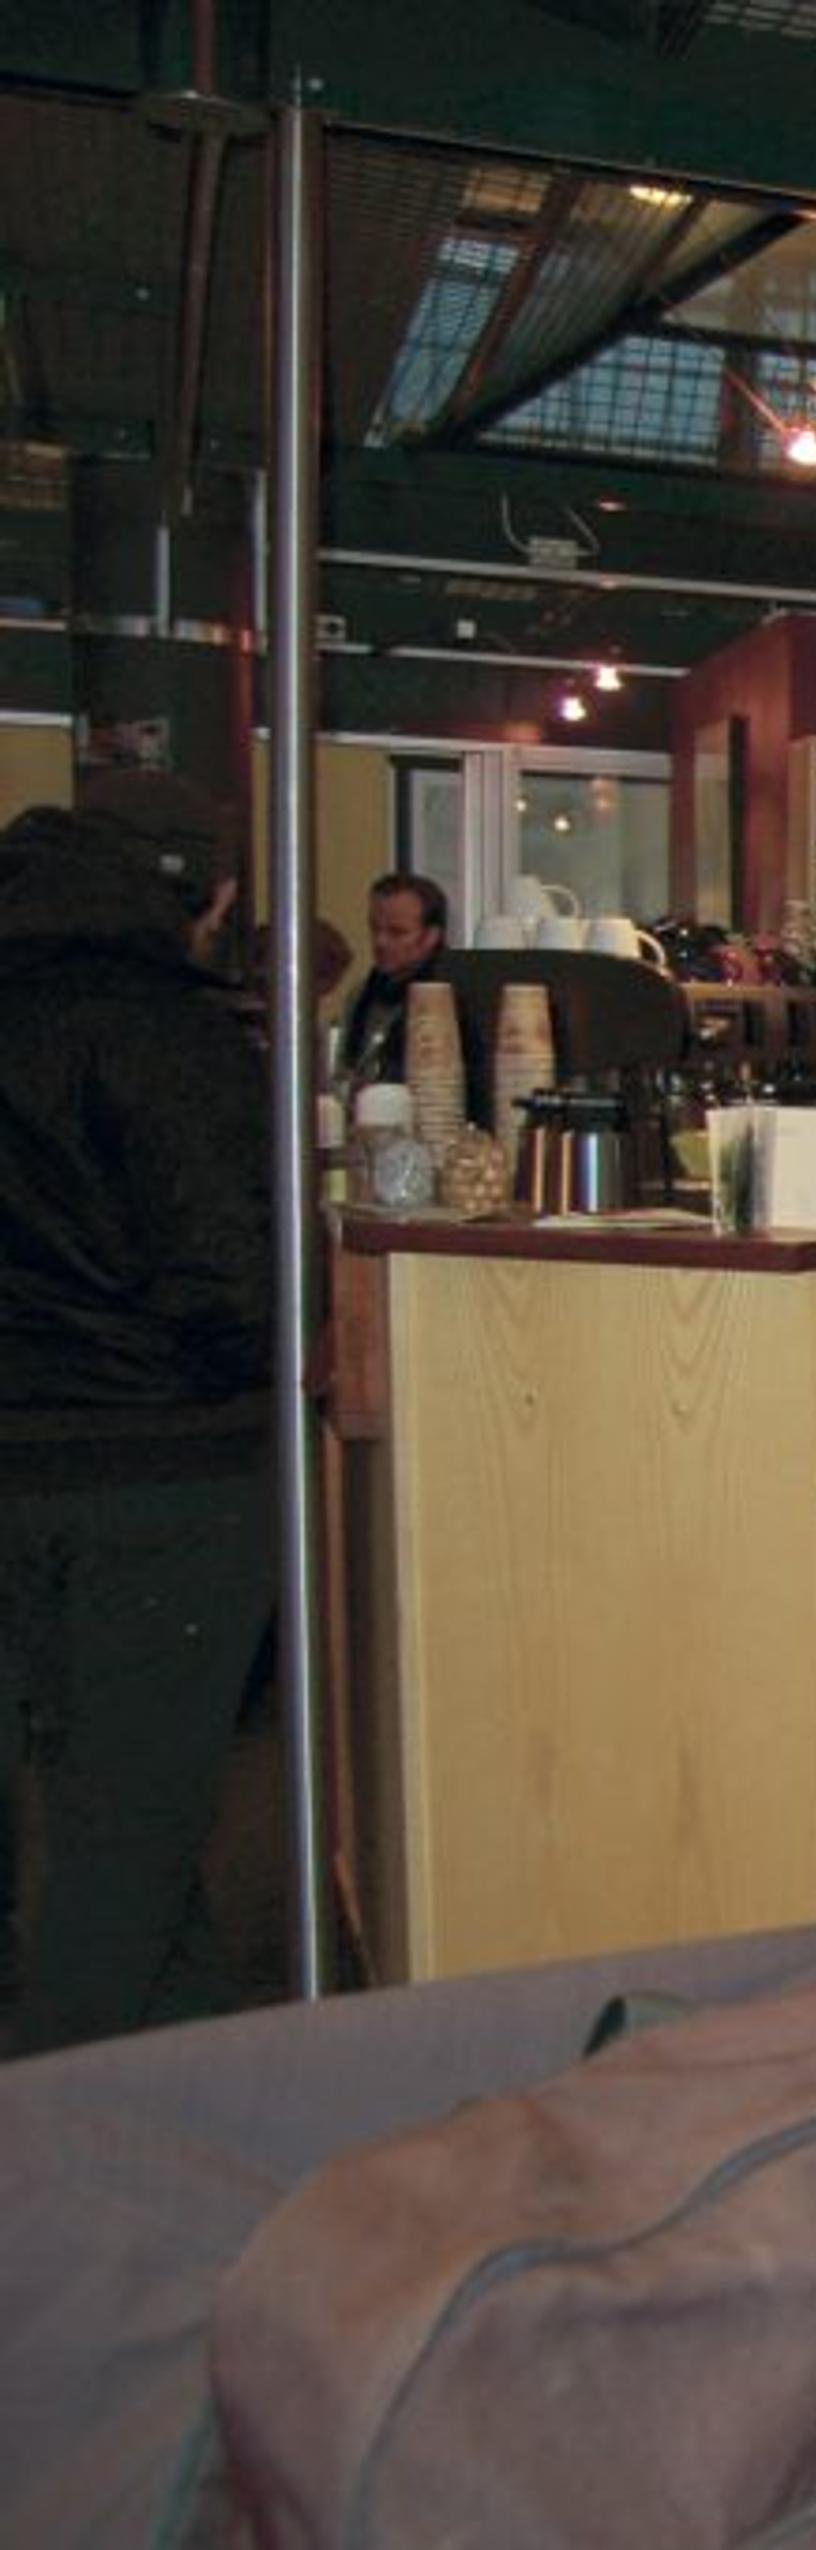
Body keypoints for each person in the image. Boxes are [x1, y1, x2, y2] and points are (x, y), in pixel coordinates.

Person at [0, 793, 277, 2054]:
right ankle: (57, 2112)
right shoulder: (170, 1032)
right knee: (133, 1819)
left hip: (24, 1458)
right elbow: (227, 1269)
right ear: (204, 899)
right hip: (162, 1465)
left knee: (87, 1799)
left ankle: (197, 2071)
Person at [334, 870, 446, 1085]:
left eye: (397, 932)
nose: (380, 942)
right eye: (374, 928)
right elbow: (344, 1071)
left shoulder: (449, 999)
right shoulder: (362, 996)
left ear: (431, 937)